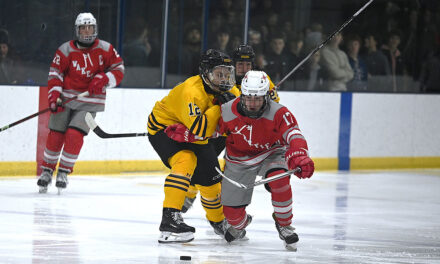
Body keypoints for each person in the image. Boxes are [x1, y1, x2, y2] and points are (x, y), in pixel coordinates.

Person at [147, 49, 239, 243]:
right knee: (186, 159)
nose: (223, 79)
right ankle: (169, 220)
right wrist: (219, 108)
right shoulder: (191, 91)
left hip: (197, 136)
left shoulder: (231, 91)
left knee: (212, 180)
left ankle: (218, 222)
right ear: (205, 73)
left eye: (226, 73)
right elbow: (200, 129)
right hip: (166, 130)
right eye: (218, 73)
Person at [217, 70, 314, 250]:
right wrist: (185, 134)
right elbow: (208, 132)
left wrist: (299, 154)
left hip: (272, 154)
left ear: (266, 97)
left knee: (280, 179)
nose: (252, 104)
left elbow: (294, 135)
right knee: (232, 217)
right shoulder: (226, 111)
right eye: (248, 99)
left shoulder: (279, 112)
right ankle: (241, 224)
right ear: (242, 95)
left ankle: (284, 224)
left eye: (258, 99)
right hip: (238, 160)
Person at [181, 44, 280, 213]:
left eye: (248, 64)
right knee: (204, 162)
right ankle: (190, 193)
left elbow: (273, 107)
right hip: (222, 131)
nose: (244, 68)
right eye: (240, 64)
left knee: (235, 172)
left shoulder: (260, 80)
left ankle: (233, 210)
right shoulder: (224, 77)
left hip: (244, 134)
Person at [36, 13, 124, 193]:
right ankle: (47, 170)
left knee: (75, 135)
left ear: (95, 28)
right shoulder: (65, 50)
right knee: (56, 134)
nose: (86, 31)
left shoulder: (106, 49)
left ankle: (63, 172)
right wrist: (55, 96)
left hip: (90, 102)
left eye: (90, 27)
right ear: (77, 30)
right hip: (65, 100)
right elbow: (55, 74)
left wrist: (104, 79)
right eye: (83, 28)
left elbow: (119, 69)